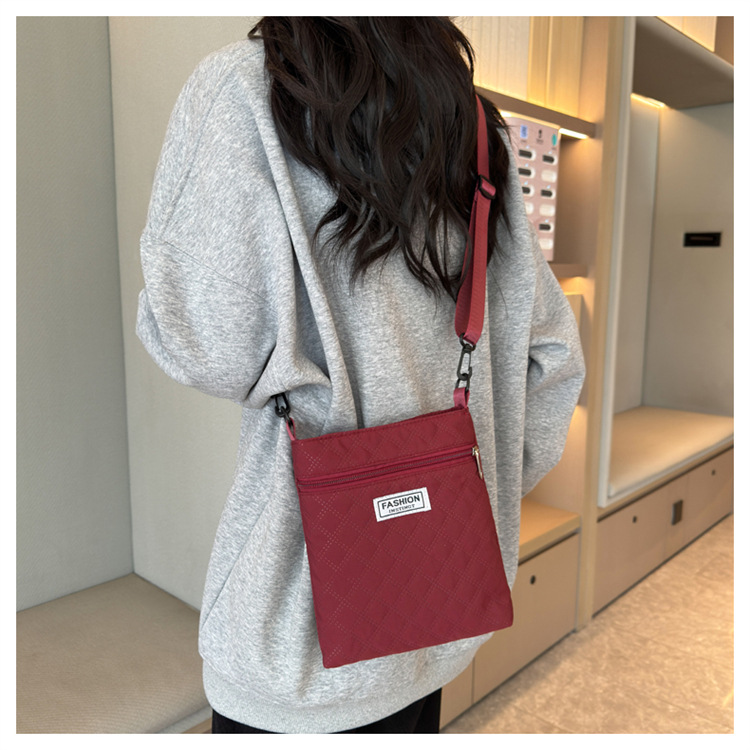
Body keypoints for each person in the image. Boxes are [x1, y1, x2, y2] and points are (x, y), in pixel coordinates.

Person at [136, 17, 585, 734]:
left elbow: (209, 345)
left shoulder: (241, 89)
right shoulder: (475, 124)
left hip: (299, 650)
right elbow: (553, 355)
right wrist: (465, 494)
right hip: (442, 610)